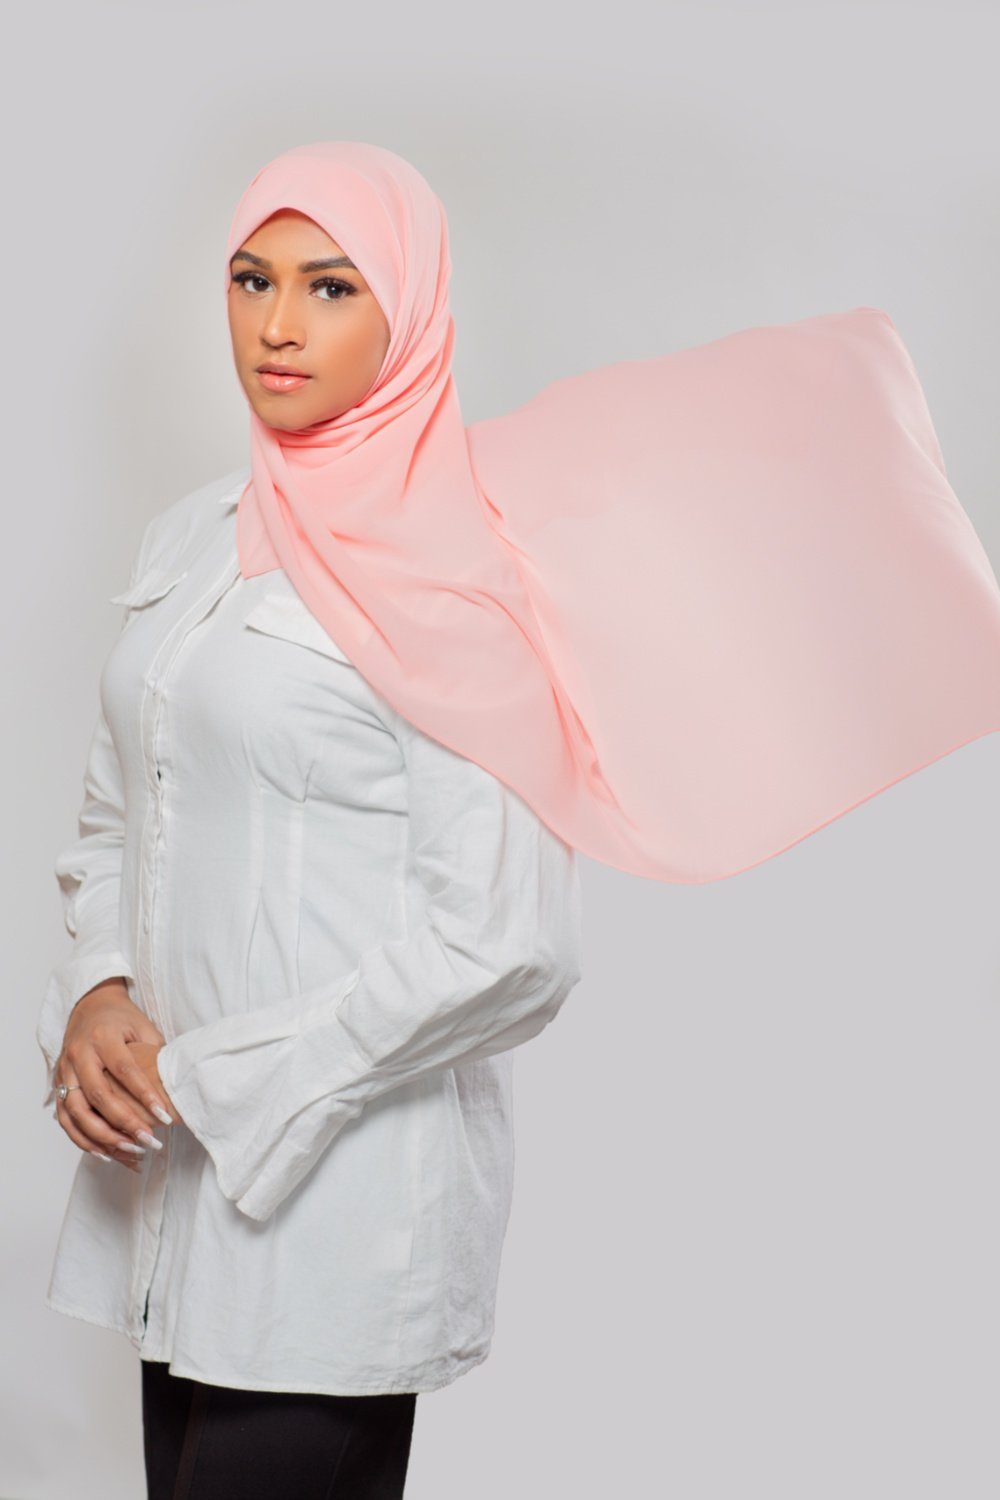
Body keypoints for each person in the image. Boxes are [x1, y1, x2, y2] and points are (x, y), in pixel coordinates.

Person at [39, 141, 1000, 1497]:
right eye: (252, 280)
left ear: (411, 310)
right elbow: (118, 810)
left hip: (335, 1220)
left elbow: (508, 947)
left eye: (331, 287)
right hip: (162, 1192)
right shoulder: (195, 536)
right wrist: (97, 989)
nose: (277, 324)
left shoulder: (461, 576)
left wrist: (212, 1080)